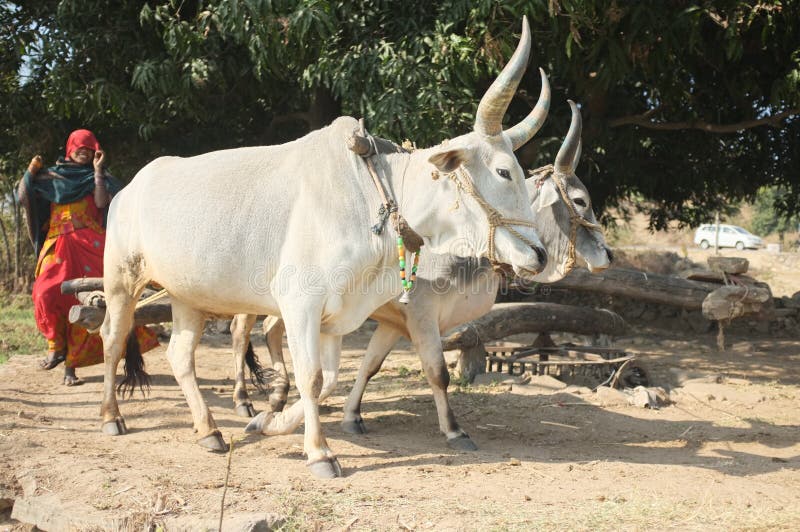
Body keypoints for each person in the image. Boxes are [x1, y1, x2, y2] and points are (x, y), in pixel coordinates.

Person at [17, 129, 158, 385]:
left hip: (92, 245)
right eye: (79, 148)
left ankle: (70, 367)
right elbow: (23, 195)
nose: (84, 151)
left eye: (89, 149)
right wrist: (29, 172)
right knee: (44, 293)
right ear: (69, 148)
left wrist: (97, 171)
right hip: (57, 245)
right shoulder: (50, 176)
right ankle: (56, 346)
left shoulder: (99, 177)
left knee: (92, 305)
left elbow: (102, 203)